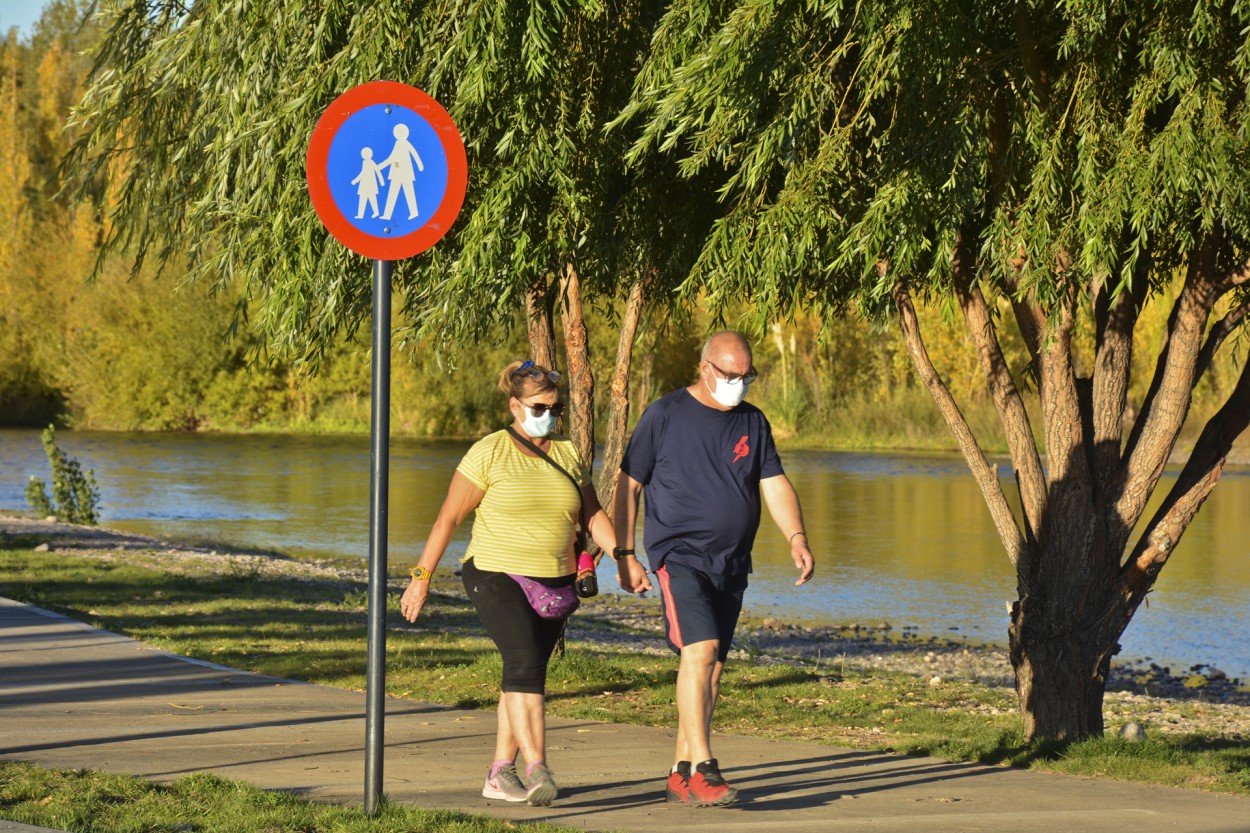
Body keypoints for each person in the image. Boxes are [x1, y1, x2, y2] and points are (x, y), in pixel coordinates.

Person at [399, 360, 616, 807]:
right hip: (495, 572)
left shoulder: (569, 454)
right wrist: (421, 578)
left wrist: (625, 557)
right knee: (523, 662)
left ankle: (500, 773)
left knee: (525, 671)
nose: (549, 416)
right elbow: (449, 518)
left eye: (556, 409)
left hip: (555, 582)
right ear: (515, 405)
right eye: (540, 407)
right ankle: (538, 768)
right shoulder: (489, 451)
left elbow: (592, 515)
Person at [612, 331, 816, 807]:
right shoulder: (664, 415)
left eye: (747, 376)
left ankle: (680, 771)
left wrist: (797, 538)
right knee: (699, 652)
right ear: (705, 368)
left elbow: (775, 483)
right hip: (678, 557)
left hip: (732, 563)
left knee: (711, 671)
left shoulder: (753, 421)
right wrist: (624, 556)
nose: (739, 384)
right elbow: (628, 485)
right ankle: (706, 768)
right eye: (730, 375)